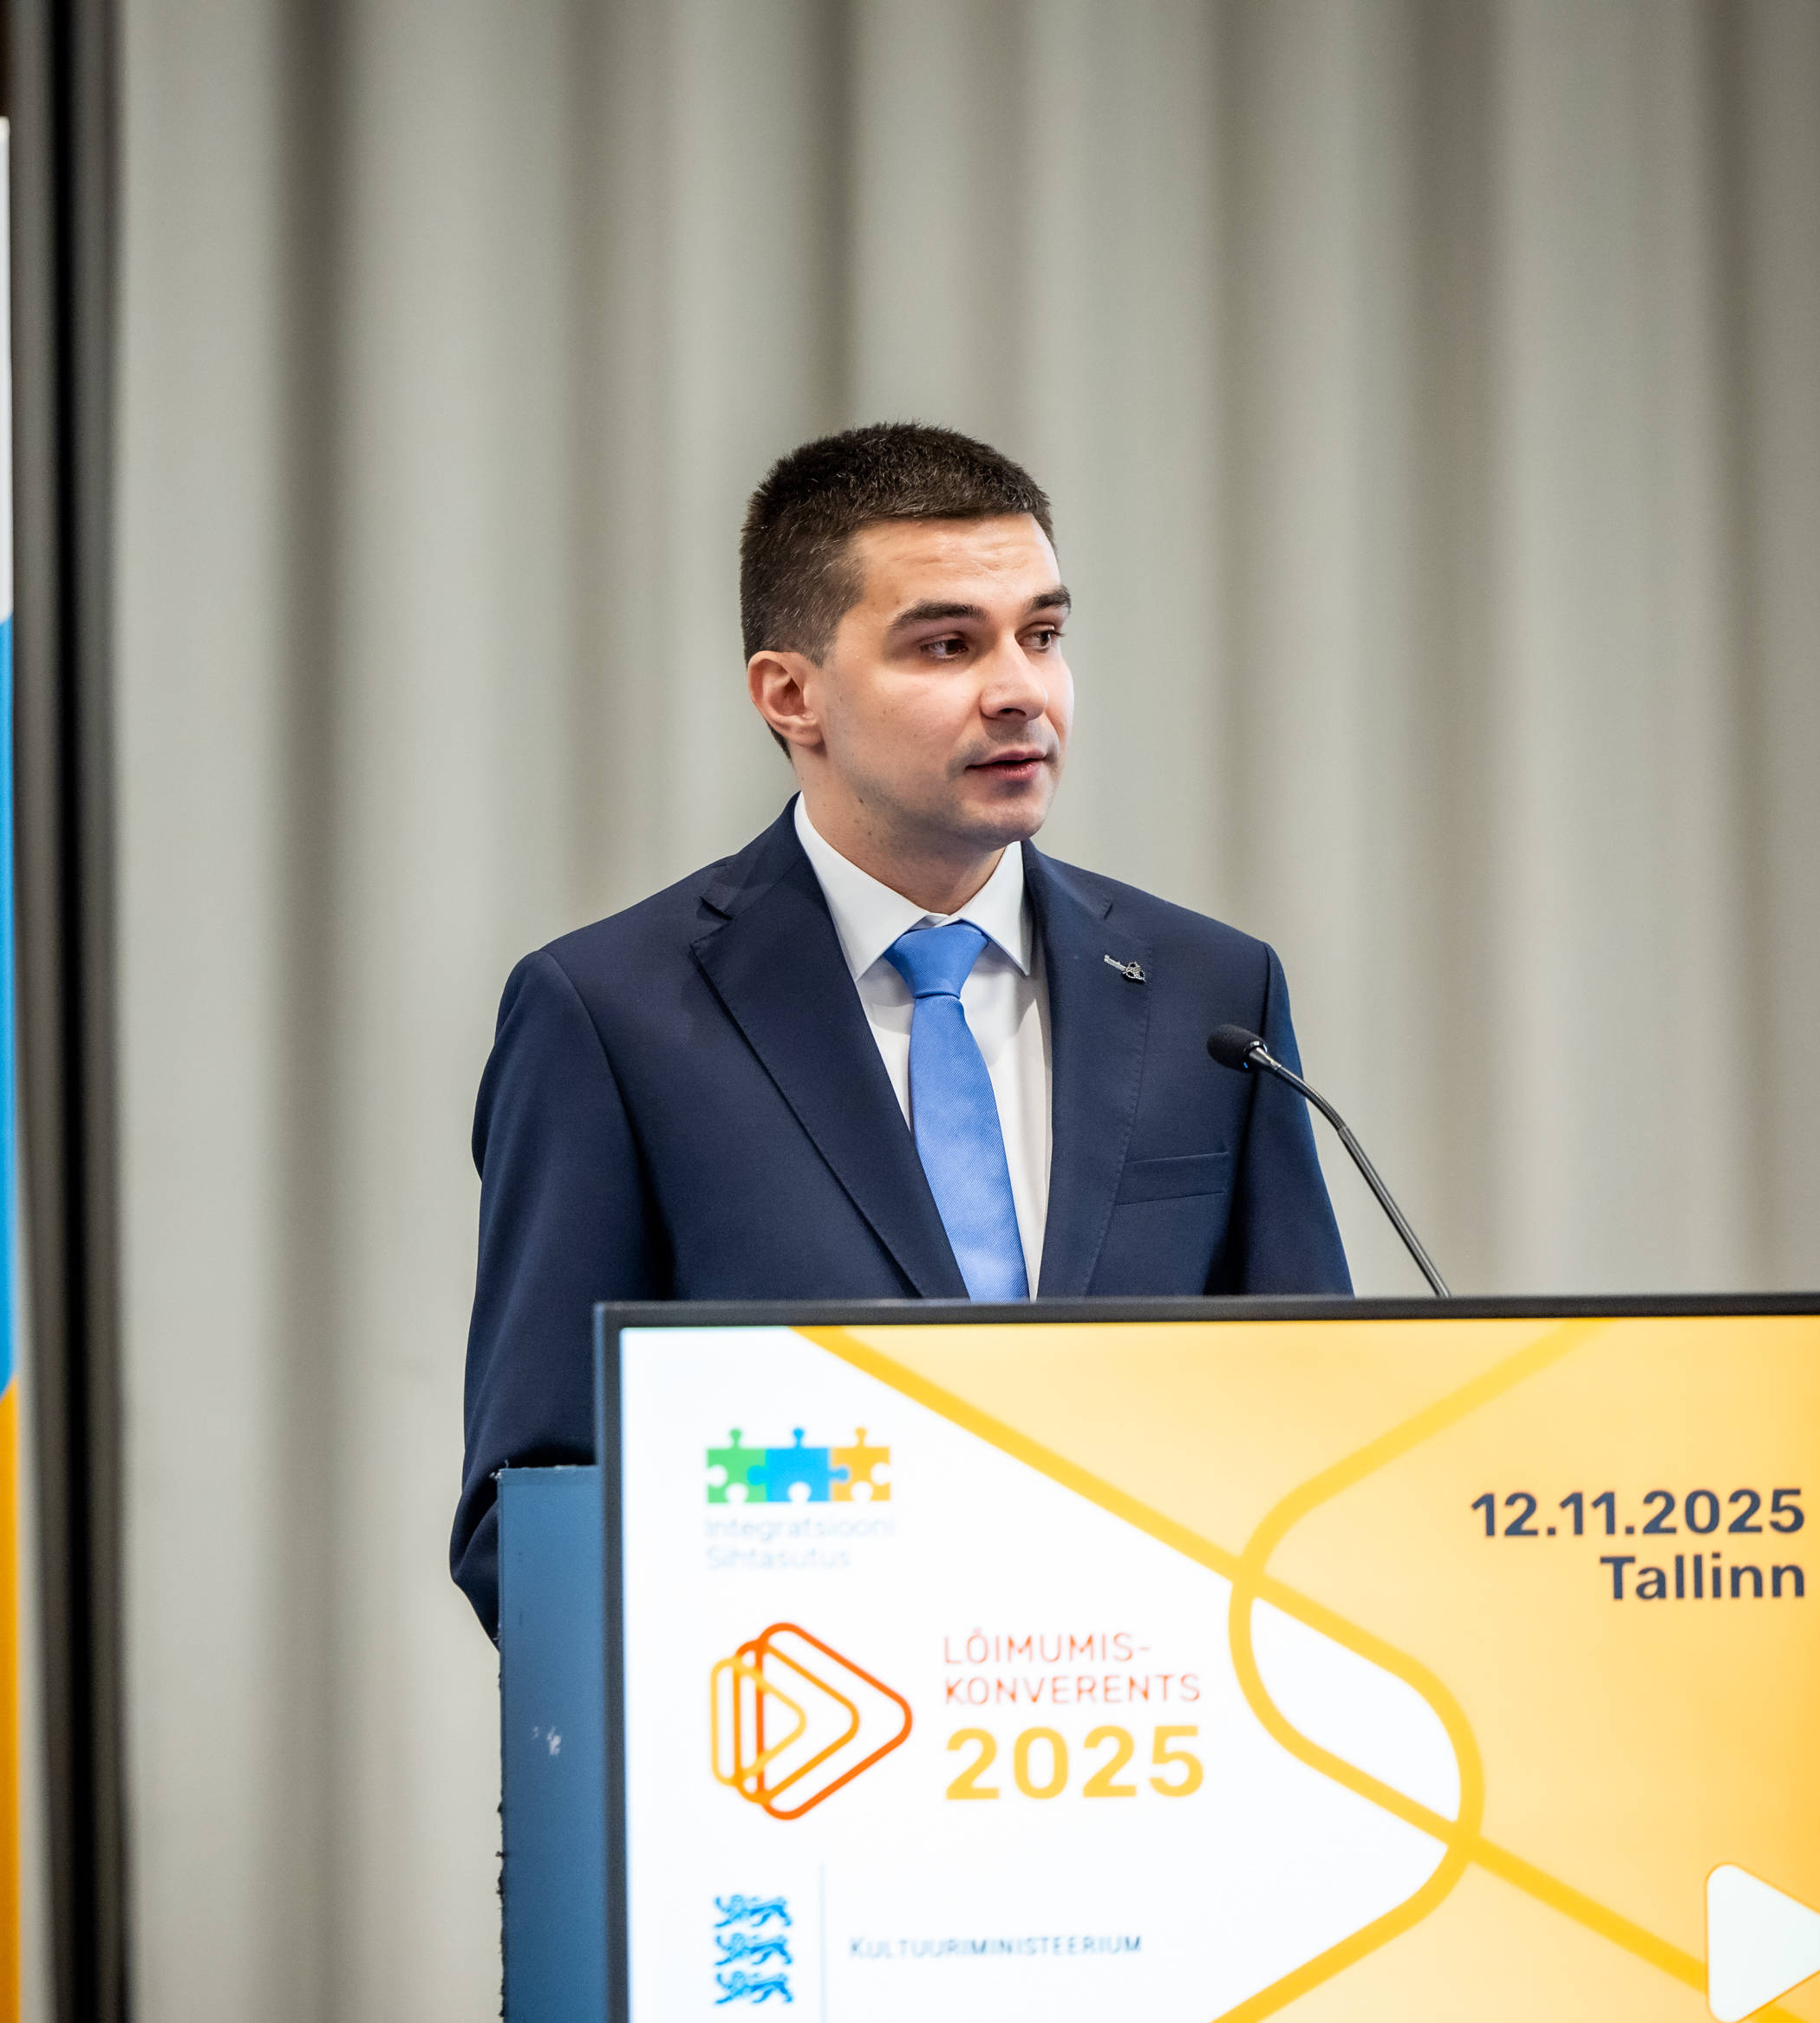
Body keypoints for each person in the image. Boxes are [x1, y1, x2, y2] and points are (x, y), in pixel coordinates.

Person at [452, 422, 1350, 1635]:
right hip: (806, 1723)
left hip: (1155, 1719)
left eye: (1043, 635)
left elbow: (1315, 1431)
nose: (1021, 690)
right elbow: (536, 1507)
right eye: (947, 644)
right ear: (792, 695)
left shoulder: (1211, 995)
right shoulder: (611, 1018)